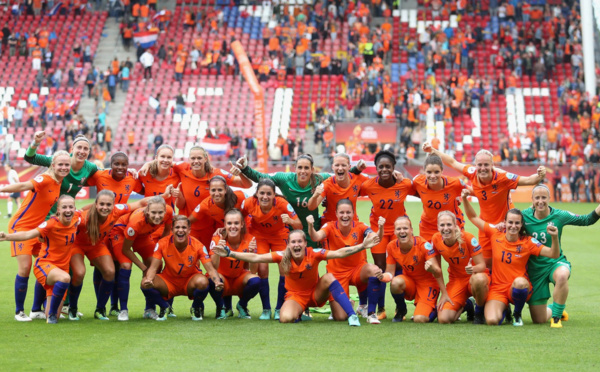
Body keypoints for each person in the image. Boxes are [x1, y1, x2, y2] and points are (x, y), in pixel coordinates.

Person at [211, 229, 381, 326]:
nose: (297, 245)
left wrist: (362, 246)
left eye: (300, 241)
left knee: (330, 282)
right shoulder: (281, 255)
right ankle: (299, 313)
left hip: (316, 293)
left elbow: (338, 253)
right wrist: (230, 253)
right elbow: (256, 258)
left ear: (305, 243)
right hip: (296, 297)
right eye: (293, 242)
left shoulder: (313, 253)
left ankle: (352, 315)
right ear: (288, 244)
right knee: (285, 319)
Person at [423, 143, 546, 267]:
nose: (483, 168)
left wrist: (540, 174)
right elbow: (453, 162)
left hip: (506, 225)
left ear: (492, 165)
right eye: (479, 165)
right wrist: (433, 150)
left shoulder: (503, 178)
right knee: (486, 264)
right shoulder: (472, 173)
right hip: (485, 227)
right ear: (475, 166)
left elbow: (531, 180)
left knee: (507, 263)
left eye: (486, 164)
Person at [462, 189, 560, 326]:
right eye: (510, 222)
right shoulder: (496, 233)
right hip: (498, 289)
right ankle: (505, 309)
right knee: (491, 321)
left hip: (518, 287)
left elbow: (553, 254)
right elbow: (473, 217)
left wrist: (554, 237)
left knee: (521, 284)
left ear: (521, 225)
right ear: (505, 223)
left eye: (517, 223)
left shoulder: (528, 242)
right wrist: (465, 199)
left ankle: (518, 314)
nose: (513, 226)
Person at [69, 190, 164, 320]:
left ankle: (100, 310)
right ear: (95, 204)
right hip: (77, 245)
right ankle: (72, 308)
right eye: (101, 204)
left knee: (110, 272)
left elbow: (141, 202)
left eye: (108, 204)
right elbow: (64, 220)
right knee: (79, 273)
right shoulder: (84, 218)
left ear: (114, 205)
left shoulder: (117, 211)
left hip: (96, 245)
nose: (105, 207)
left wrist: (163, 196)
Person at [235, 154, 364, 248]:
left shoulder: (320, 179)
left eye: (306, 168)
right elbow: (263, 178)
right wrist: (245, 168)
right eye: (300, 167)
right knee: (291, 266)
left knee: (312, 263)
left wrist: (356, 169)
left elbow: (339, 174)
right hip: (289, 228)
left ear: (312, 170)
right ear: (295, 168)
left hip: (311, 228)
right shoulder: (285, 179)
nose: (303, 171)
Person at [0, 151, 70, 321]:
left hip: (37, 230)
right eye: (60, 164)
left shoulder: (59, 183)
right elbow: (23, 186)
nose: (63, 167)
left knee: (45, 264)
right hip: (20, 226)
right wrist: (2, 188)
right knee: (25, 268)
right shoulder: (44, 179)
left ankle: (36, 309)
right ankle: (19, 312)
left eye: (66, 165)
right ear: (53, 165)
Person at [522, 185, 600, 328]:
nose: (541, 201)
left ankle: (556, 318)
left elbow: (586, 220)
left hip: (554, 263)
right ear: (532, 200)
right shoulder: (523, 216)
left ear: (549, 199)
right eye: (537, 198)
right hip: (534, 271)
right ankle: (555, 309)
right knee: (538, 320)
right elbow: (509, 226)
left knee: (562, 275)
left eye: (544, 197)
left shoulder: (559, 215)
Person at [0, 195, 81, 324]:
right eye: (64, 207)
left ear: (75, 208)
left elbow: (90, 211)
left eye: (71, 207)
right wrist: (7, 237)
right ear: (58, 210)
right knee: (65, 278)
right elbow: (28, 234)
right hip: (45, 265)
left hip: (61, 268)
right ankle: (51, 316)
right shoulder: (50, 224)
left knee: (52, 311)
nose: (68, 210)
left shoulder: (76, 218)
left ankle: (49, 312)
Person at [307, 199, 385, 324]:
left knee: (374, 270)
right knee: (340, 317)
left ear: (353, 213)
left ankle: (371, 313)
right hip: (337, 275)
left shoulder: (360, 226)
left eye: (348, 212)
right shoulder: (329, 226)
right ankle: (349, 303)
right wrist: (310, 226)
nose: (345, 216)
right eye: (341, 212)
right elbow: (315, 237)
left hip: (357, 270)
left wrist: (380, 229)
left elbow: (375, 238)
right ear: (336, 213)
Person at [358, 150, 413, 320]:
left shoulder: (404, 184)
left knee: (398, 267)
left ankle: (400, 307)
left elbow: (423, 192)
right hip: (378, 231)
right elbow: (351, 190)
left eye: (387, 166)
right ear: (375, 168)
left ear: (393, 167)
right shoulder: (368, 185)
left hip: (399, 231)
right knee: (380, 268)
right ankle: (380, 308)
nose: (384, 170)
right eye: (380, 167)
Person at [240, 179, 303, 320]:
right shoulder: (249, 203)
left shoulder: (283, 204)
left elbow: (299, 225)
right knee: (262, 270)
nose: (265, 197)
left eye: (269, 193)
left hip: (279, 236)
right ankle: (266, 309)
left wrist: (291, 221)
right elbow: (240, 217)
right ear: (256, 194)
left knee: (284, 270)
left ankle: (279, 308)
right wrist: (244, 234)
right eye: (262, 193)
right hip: (259, 236)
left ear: (274, 195)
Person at [141, 216, 222, 321]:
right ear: (172, 230)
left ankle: (195, 308)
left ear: (189, 230)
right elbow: (153, 268)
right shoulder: (162, 243)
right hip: (168, 281)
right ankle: (165, 307)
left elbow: (210, 269)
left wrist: (217, 282)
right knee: (144, 283)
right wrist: (149, 279)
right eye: (177, 227)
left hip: (190, 281)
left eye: (184, 227)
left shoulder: (198, 245)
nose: (180, 230)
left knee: (203, 281)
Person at [107, 196, 174, 321]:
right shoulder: (136, 222)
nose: (157, 216)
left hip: (143, 235)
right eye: (153, 212)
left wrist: (160, 251)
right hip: (121, 232)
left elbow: (166, 233)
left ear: (165, 211)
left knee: (156, 265)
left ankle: (149, 309)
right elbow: (126, 250)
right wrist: (143, 268)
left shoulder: (169, 212)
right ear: (147, 210)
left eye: (160, 212)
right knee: (126, 266)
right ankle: (123, 310)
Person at [380, 216, 448, 323]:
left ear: (411, 230)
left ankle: (437, 309)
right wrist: (381, 276)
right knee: (395, 282)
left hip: (428, 284)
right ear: (395, 231)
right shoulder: (391, 246)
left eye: (405, 228)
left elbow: (438, 271)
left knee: (420, 319)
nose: (402, 231)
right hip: (410, 282)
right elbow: (390, 273)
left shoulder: (423, 244)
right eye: (398, 229)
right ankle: (401, 310)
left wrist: (432, 268)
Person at [431, 211, 489, 324]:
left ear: (455, 225)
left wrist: (473, 269)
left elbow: (482, 266)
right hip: (457, 280)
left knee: (479, 280)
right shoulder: (436, 239)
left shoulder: (467, 238)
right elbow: (437, 270)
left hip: (475, 277)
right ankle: (468, 304)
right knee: (444, 319)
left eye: (449, 224)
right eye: (442, 225)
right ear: (438, 226)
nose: (445, 228)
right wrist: (444, 293)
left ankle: (479, 311)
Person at [25, 132, 98, 218]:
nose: (82, 151)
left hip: (65, 216)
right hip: (44, 215)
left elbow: (105, 175)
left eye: (85, 149)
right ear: (72, 148)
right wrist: (35, 142)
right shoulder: (60, 160)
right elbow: (30, 157)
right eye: (79, 147)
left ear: (89, 151)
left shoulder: (90, 167)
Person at [207, 210, 261, 319]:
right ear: (225, 225)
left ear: (242, 224)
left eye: (236, 223)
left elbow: (253, 271)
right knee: (211, 279)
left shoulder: (250, 239)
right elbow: (214, 268)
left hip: (238, 279)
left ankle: (242, 305)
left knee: (256, 280)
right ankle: (221, 308)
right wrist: (217, 251)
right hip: (223, 280)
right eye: (229, 223)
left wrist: (252, 253)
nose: (233, 226)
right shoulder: (217, 238)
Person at [412, 154, 466, 241]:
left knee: (454, 254)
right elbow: (405, 188)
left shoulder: (455, 184)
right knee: (429, 254)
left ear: (442, 171)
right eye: (429, 172)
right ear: (424, 171)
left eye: (436, 172)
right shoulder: (417, 182)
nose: (433, 176)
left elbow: (477, 192)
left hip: (451, 225)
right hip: (427, 227)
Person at [307, 153, 370, 225]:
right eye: (337, 165)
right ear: (332, 167)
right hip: (330, 226)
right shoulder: (327, 184)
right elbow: (311, 207)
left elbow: (376, 185)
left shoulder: (358, 178)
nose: (340, 168)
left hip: (351, 225)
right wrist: (315, 195)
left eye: (343, 165)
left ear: (349, 167)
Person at [188, 176, 246, 248]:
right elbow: (189, 221)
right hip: (225, 232)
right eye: (213, 190)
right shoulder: (206, 204)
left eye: (220, 190)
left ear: (225, 190)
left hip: (244, 230)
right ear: (209, 191)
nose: (217, 193)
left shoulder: (240, 196)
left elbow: (254, 205)